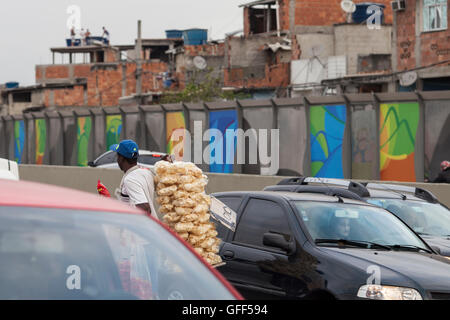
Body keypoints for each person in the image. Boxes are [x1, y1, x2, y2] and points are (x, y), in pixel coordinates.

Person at [110, 140, 158, 220]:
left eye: (117, 156)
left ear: (121, 158)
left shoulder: (130, 179)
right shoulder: (146, 172)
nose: (117, 159)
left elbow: (144, 208)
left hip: (140, 229)